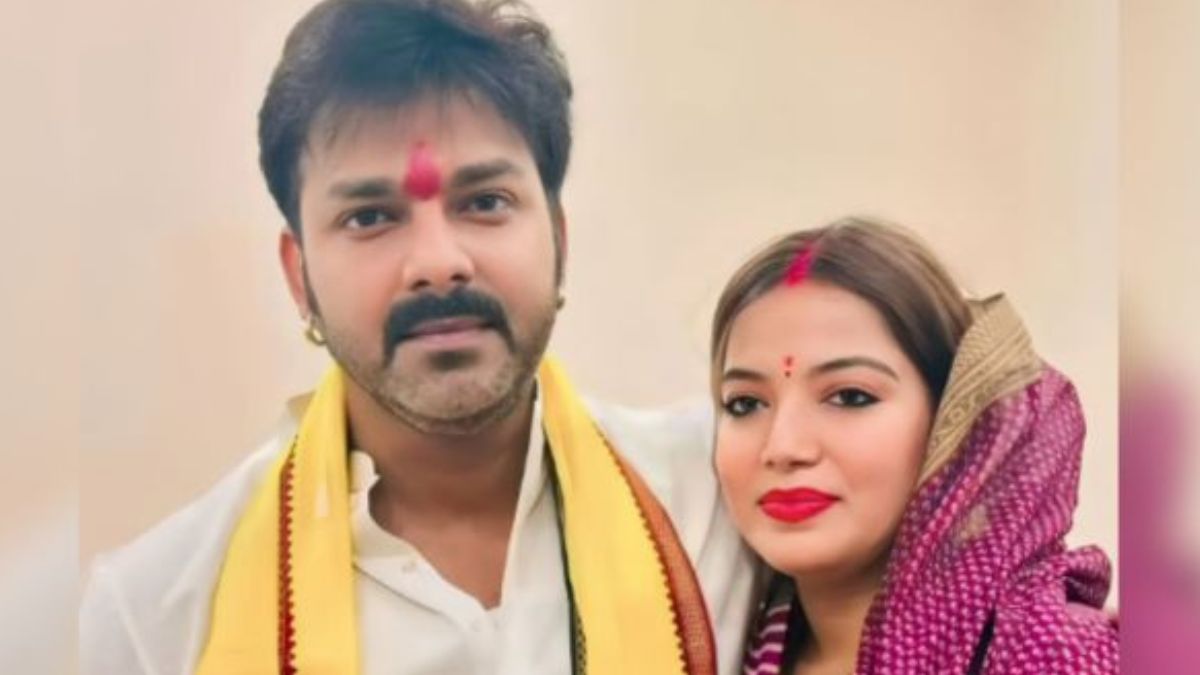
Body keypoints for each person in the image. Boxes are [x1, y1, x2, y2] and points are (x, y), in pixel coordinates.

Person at [79, 1, 754, 673]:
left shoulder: (721, 500)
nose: (438, 262)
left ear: (559, 241)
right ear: (298, 276)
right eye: (370, 216)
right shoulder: (156, 618)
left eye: (485, 202)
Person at [710, 218, 1117, 674]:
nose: (783, 446)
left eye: (850, 396)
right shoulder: (698, 650)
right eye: (745, 403)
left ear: (954, 424)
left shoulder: (1058, 659)